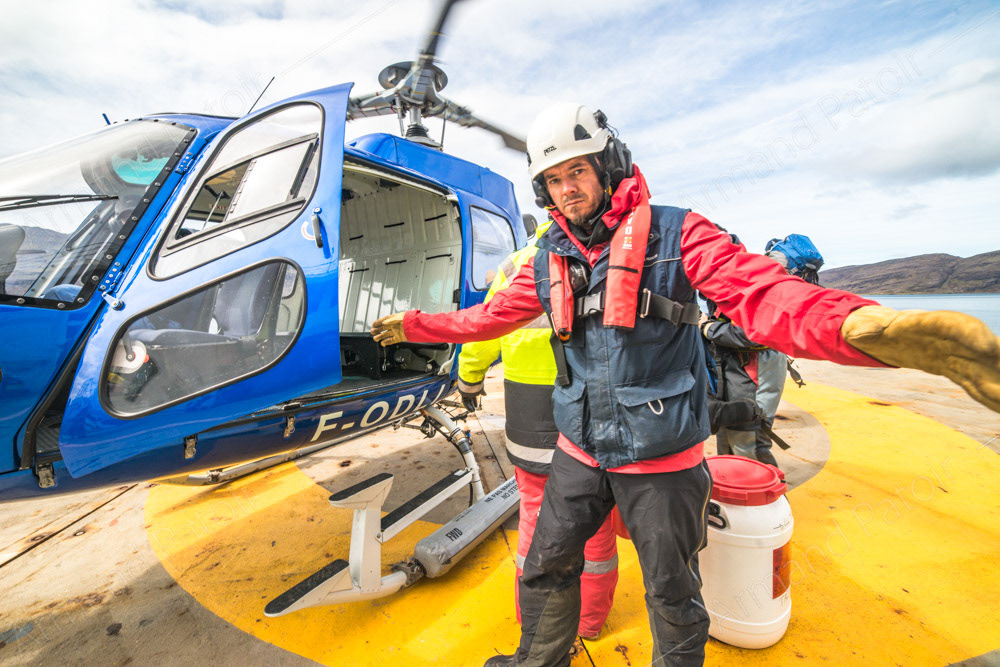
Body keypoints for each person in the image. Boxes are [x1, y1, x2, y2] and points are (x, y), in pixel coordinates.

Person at [371, 102, 1000, 666]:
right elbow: (488, 318)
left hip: (662, 461)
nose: (567, 191)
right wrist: (415, 326)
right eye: (554, 181)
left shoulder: (678, 233)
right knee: (544, 569)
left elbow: (763, 293)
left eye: (578, 173)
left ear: (609, 166)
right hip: (579, 452)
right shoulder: (548, 259)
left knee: (672, 590)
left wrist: (862, 328)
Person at [457, 220, 619, 641]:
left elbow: (484, 327)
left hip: (529, 418)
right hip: (590, 415)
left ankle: (533, 620)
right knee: (596, 523)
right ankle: (590, 622)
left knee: (533, 518)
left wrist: (469, 378)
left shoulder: (516, 265)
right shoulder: (608, 254)